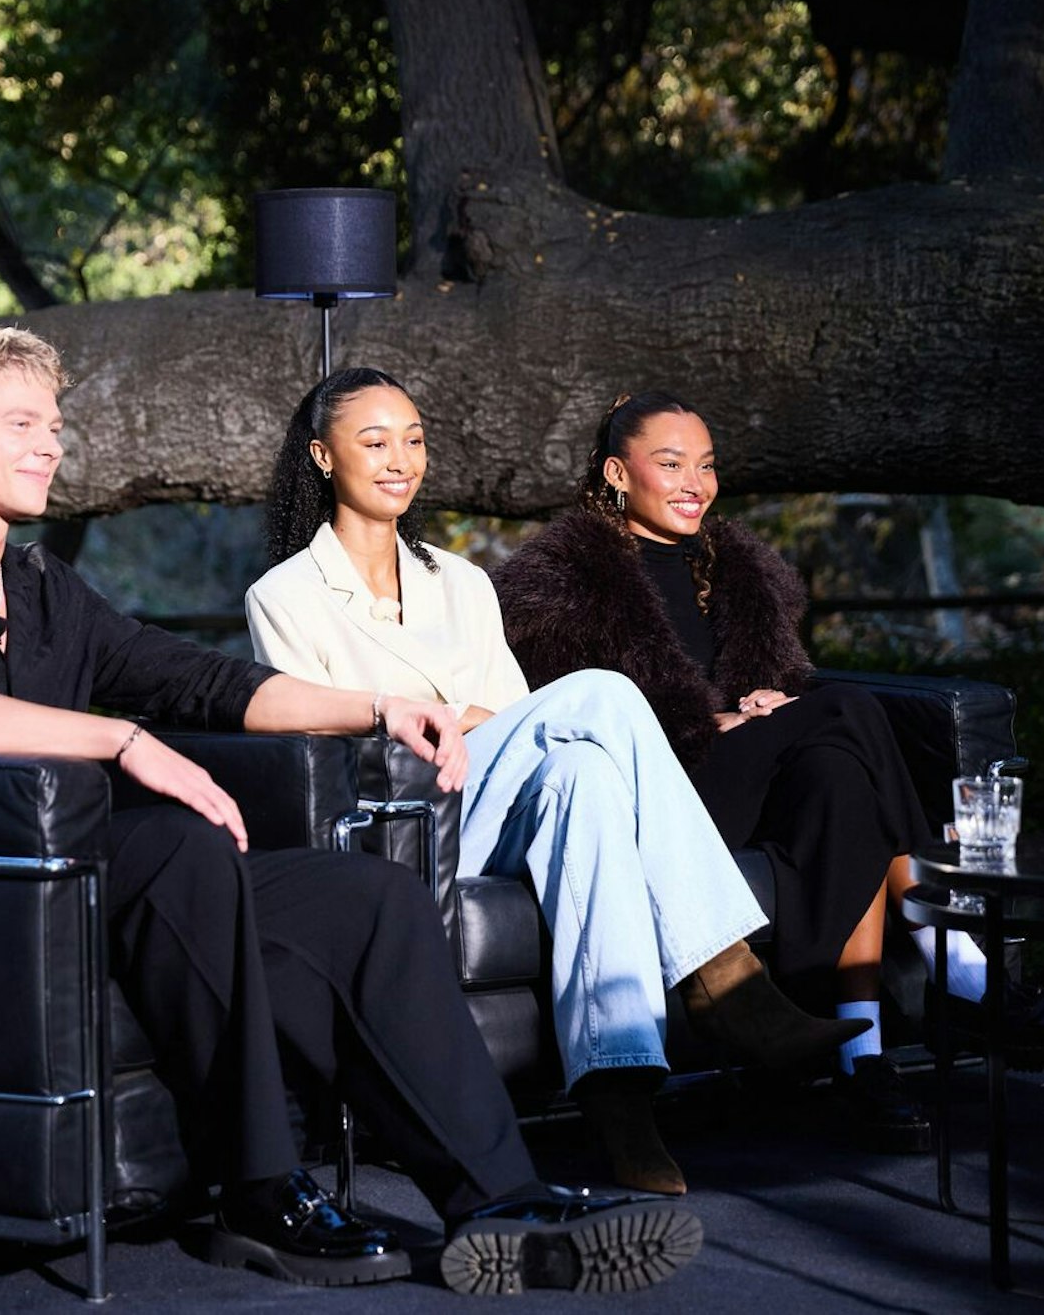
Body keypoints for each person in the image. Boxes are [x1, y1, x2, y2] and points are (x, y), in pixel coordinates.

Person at [0, 326, 702, 1295]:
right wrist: (121, 739)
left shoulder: (44, 588)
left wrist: (378, 707)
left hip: (96, 884)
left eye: (53, 425)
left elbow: (200, 682)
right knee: (177, 839)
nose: (50, 444)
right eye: (21, 422)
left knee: (369, 900)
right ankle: (258, 1192)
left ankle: (498, 1200)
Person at [245, 367, 867, 1194]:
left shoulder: (460, 583)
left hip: (490, 796)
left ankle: (619, 1099)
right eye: (375, 442)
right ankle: (726, 977)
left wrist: (472, 719)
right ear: (324, 457)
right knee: (602, 697)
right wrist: (438, 714)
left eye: (415, 440)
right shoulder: (283, 595)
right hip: (396, 811)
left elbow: (511, 717)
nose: (401, 460)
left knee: (583, 774)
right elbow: (306, 736)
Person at [490, 390, 1044, 1152]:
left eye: (706, 466)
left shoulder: (741, 571)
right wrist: (708, 721)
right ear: (616, 472)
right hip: (658, 796)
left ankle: (860, 1055)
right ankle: (960, 959)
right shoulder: (560, 584)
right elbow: (571, 720)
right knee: (846, 713)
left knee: (841, 769)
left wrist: (771, 700)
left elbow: (784, 689)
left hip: (745, 778)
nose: (693, 483)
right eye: (670, 464)